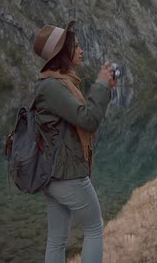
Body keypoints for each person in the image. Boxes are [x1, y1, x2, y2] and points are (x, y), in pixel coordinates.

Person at [32, 20, 115, 263]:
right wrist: (100, 85)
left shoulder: (56, 84)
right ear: (63, 53)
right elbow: (87, 119)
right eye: (76, 46)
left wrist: (104, 89)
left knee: (56, 240)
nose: (81, 50)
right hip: (67, 175)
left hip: (54, 175)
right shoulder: (53, 87)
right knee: (94, 227)